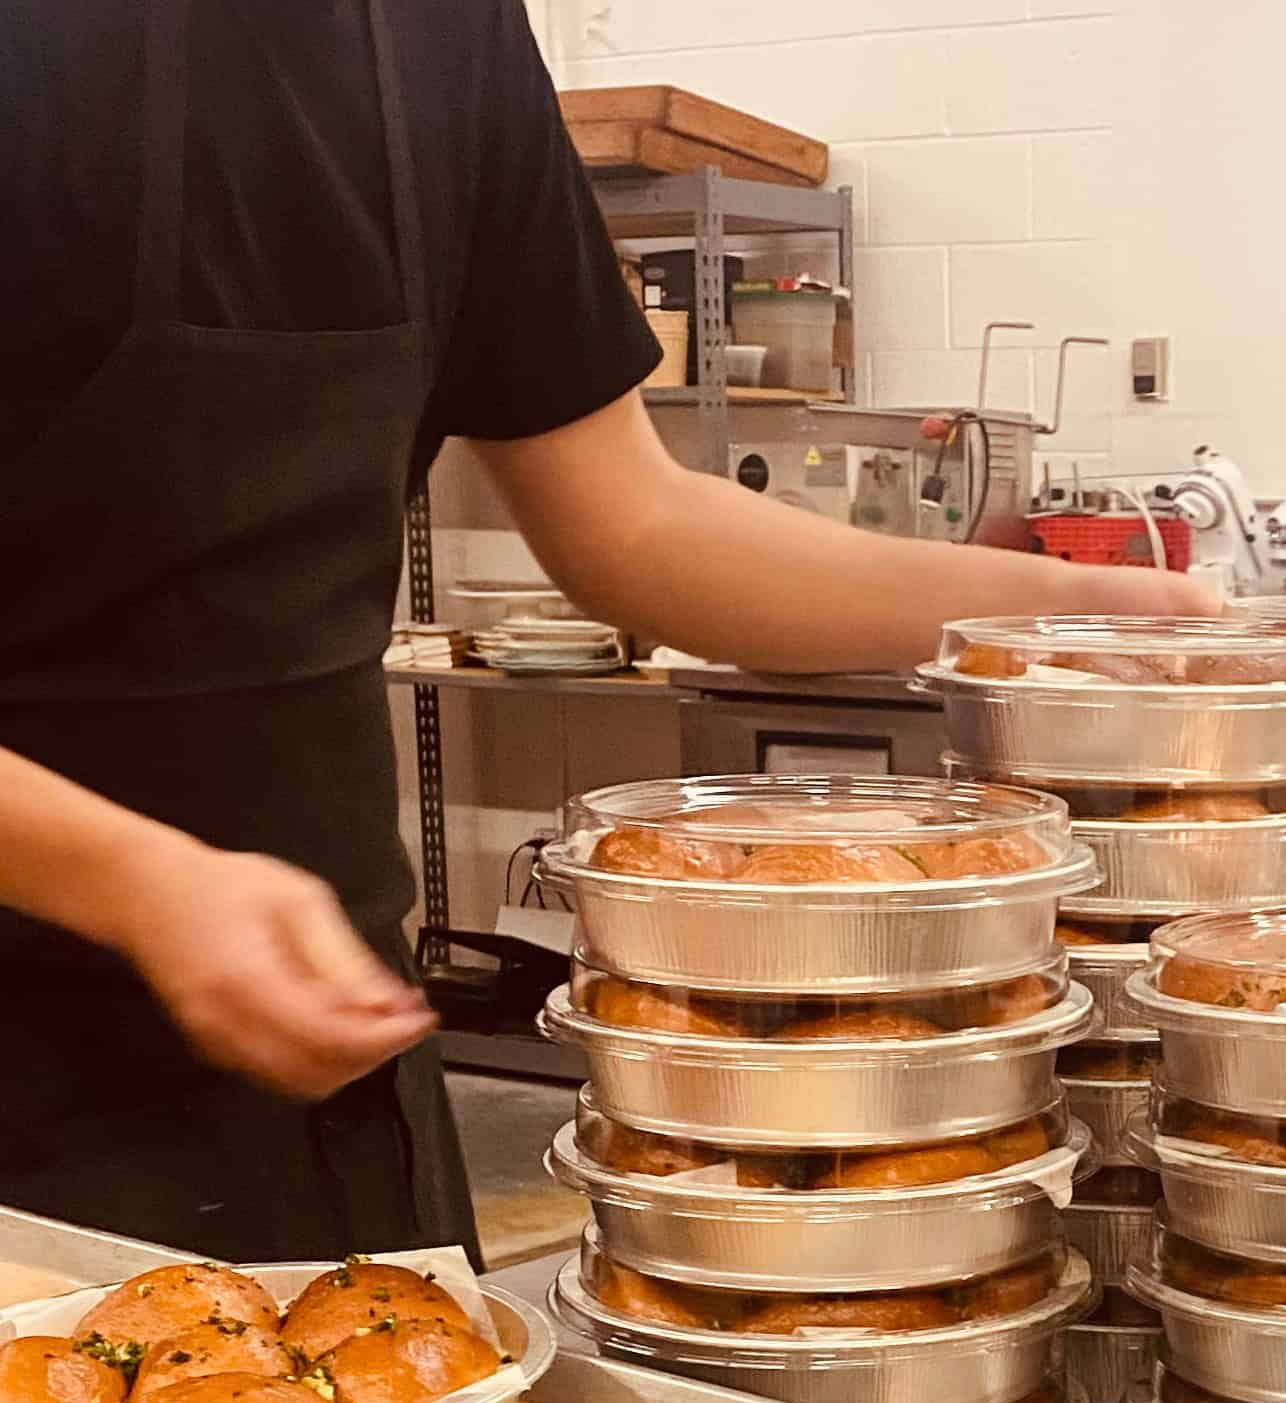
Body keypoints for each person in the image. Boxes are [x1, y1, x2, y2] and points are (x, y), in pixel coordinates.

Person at [0, 0, 1210, 1259]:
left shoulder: (441, 35)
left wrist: (1099, 615)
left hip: (316, 1045)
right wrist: (136, 883)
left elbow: (636, 529)